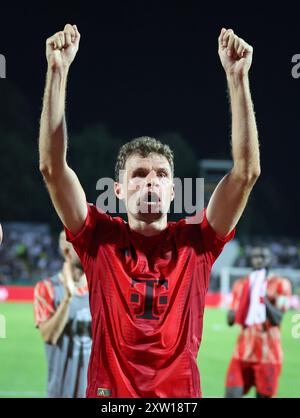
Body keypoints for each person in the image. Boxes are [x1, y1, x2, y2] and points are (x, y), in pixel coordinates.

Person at [38, 24, 260, 398]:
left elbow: (245, 173)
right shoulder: (97, 238)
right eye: (138, 175)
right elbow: (52, 168)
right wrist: (57, 71)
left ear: (173, 190)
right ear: (119, 190)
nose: (150, 182)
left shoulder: (198, 243)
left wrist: (238, 78)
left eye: (160, 175)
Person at [225, 246, 292, 398]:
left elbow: (277, 318)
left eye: (263, 256)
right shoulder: (242, 284)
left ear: (270, 260)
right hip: (242, 352)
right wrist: (236, 310)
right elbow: (231, 319)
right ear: (251, 260)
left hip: (268, 354)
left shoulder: (281, 284)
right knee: (230, 394)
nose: (259, 259)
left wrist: (261, 295)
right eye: (255, 256)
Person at [33, 231, 92, 398]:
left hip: (94, 392)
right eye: (81, 245)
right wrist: (67, 298)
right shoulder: (47, 288)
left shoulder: (100, 287)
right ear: (67, 252)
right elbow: (49, 336)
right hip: (60, 392)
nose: (88, 249)